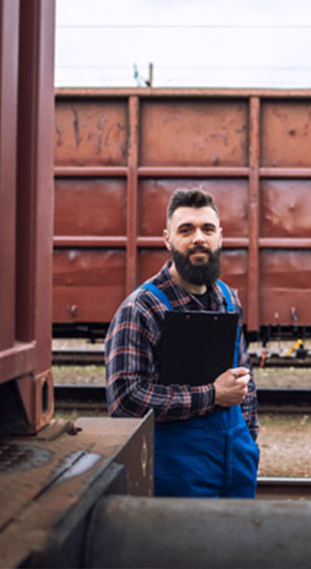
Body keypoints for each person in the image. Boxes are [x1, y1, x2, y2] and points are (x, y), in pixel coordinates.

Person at [104, 188, 259, 497]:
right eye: (185, 230)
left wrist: (250, 443)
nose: (198, 238)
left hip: (236, 464)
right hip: (177, 473)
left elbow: (245, 381)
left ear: (220, 237)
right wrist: (213, 395)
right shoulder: (143, 308)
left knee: (237, 545)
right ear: (167, 239)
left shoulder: (228, 299)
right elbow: (125, 401)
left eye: (207, 229)